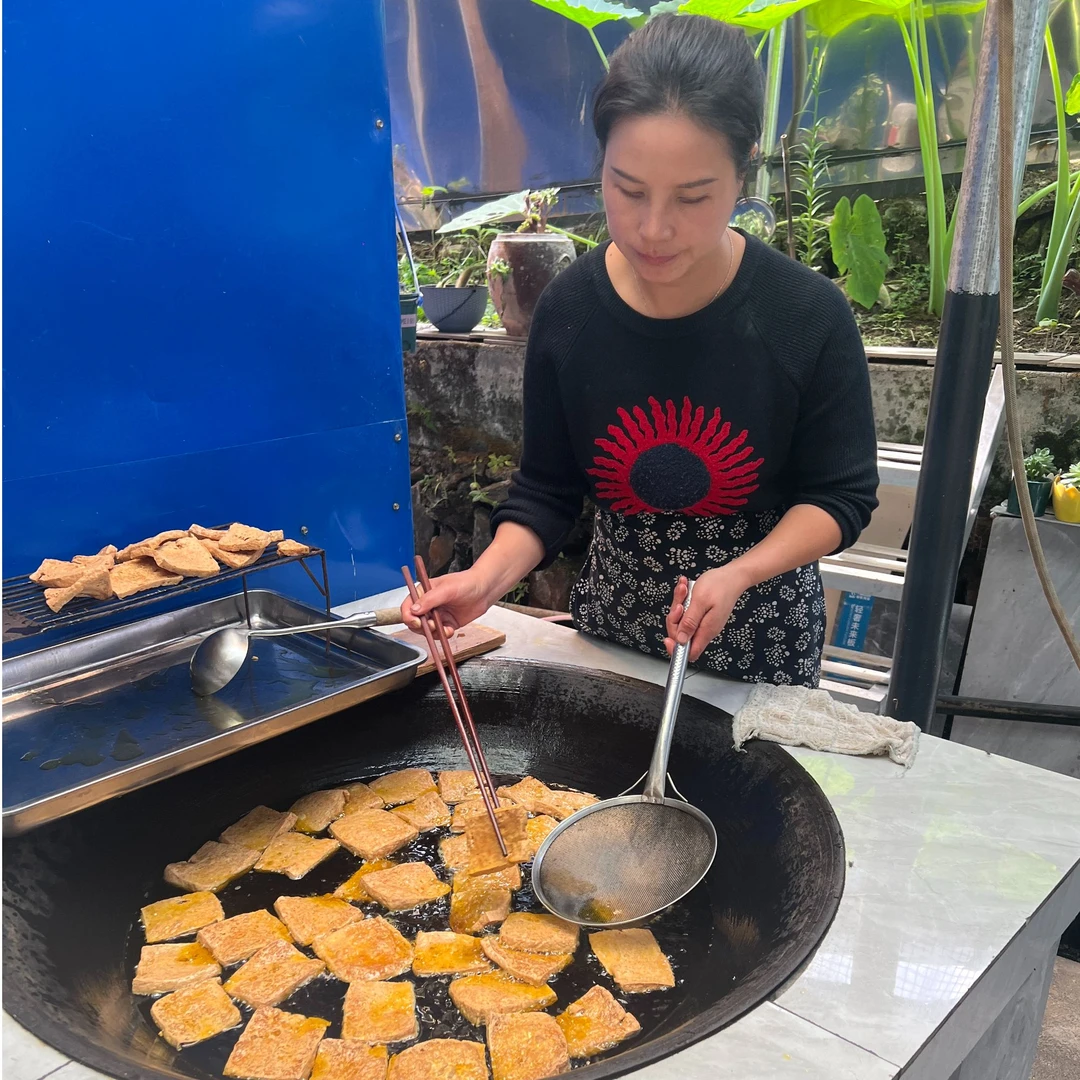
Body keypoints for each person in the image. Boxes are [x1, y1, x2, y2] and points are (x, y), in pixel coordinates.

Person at [403, 13, 879, 687]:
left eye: (693, 197)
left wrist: (739, 572)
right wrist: (483, 580)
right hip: (611, 643)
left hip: (761, 653)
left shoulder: (804, 315)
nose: (654, 228)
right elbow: (546, 491)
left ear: (743, 174)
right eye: (628, 190)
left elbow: (841, 496)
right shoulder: (569, 311)